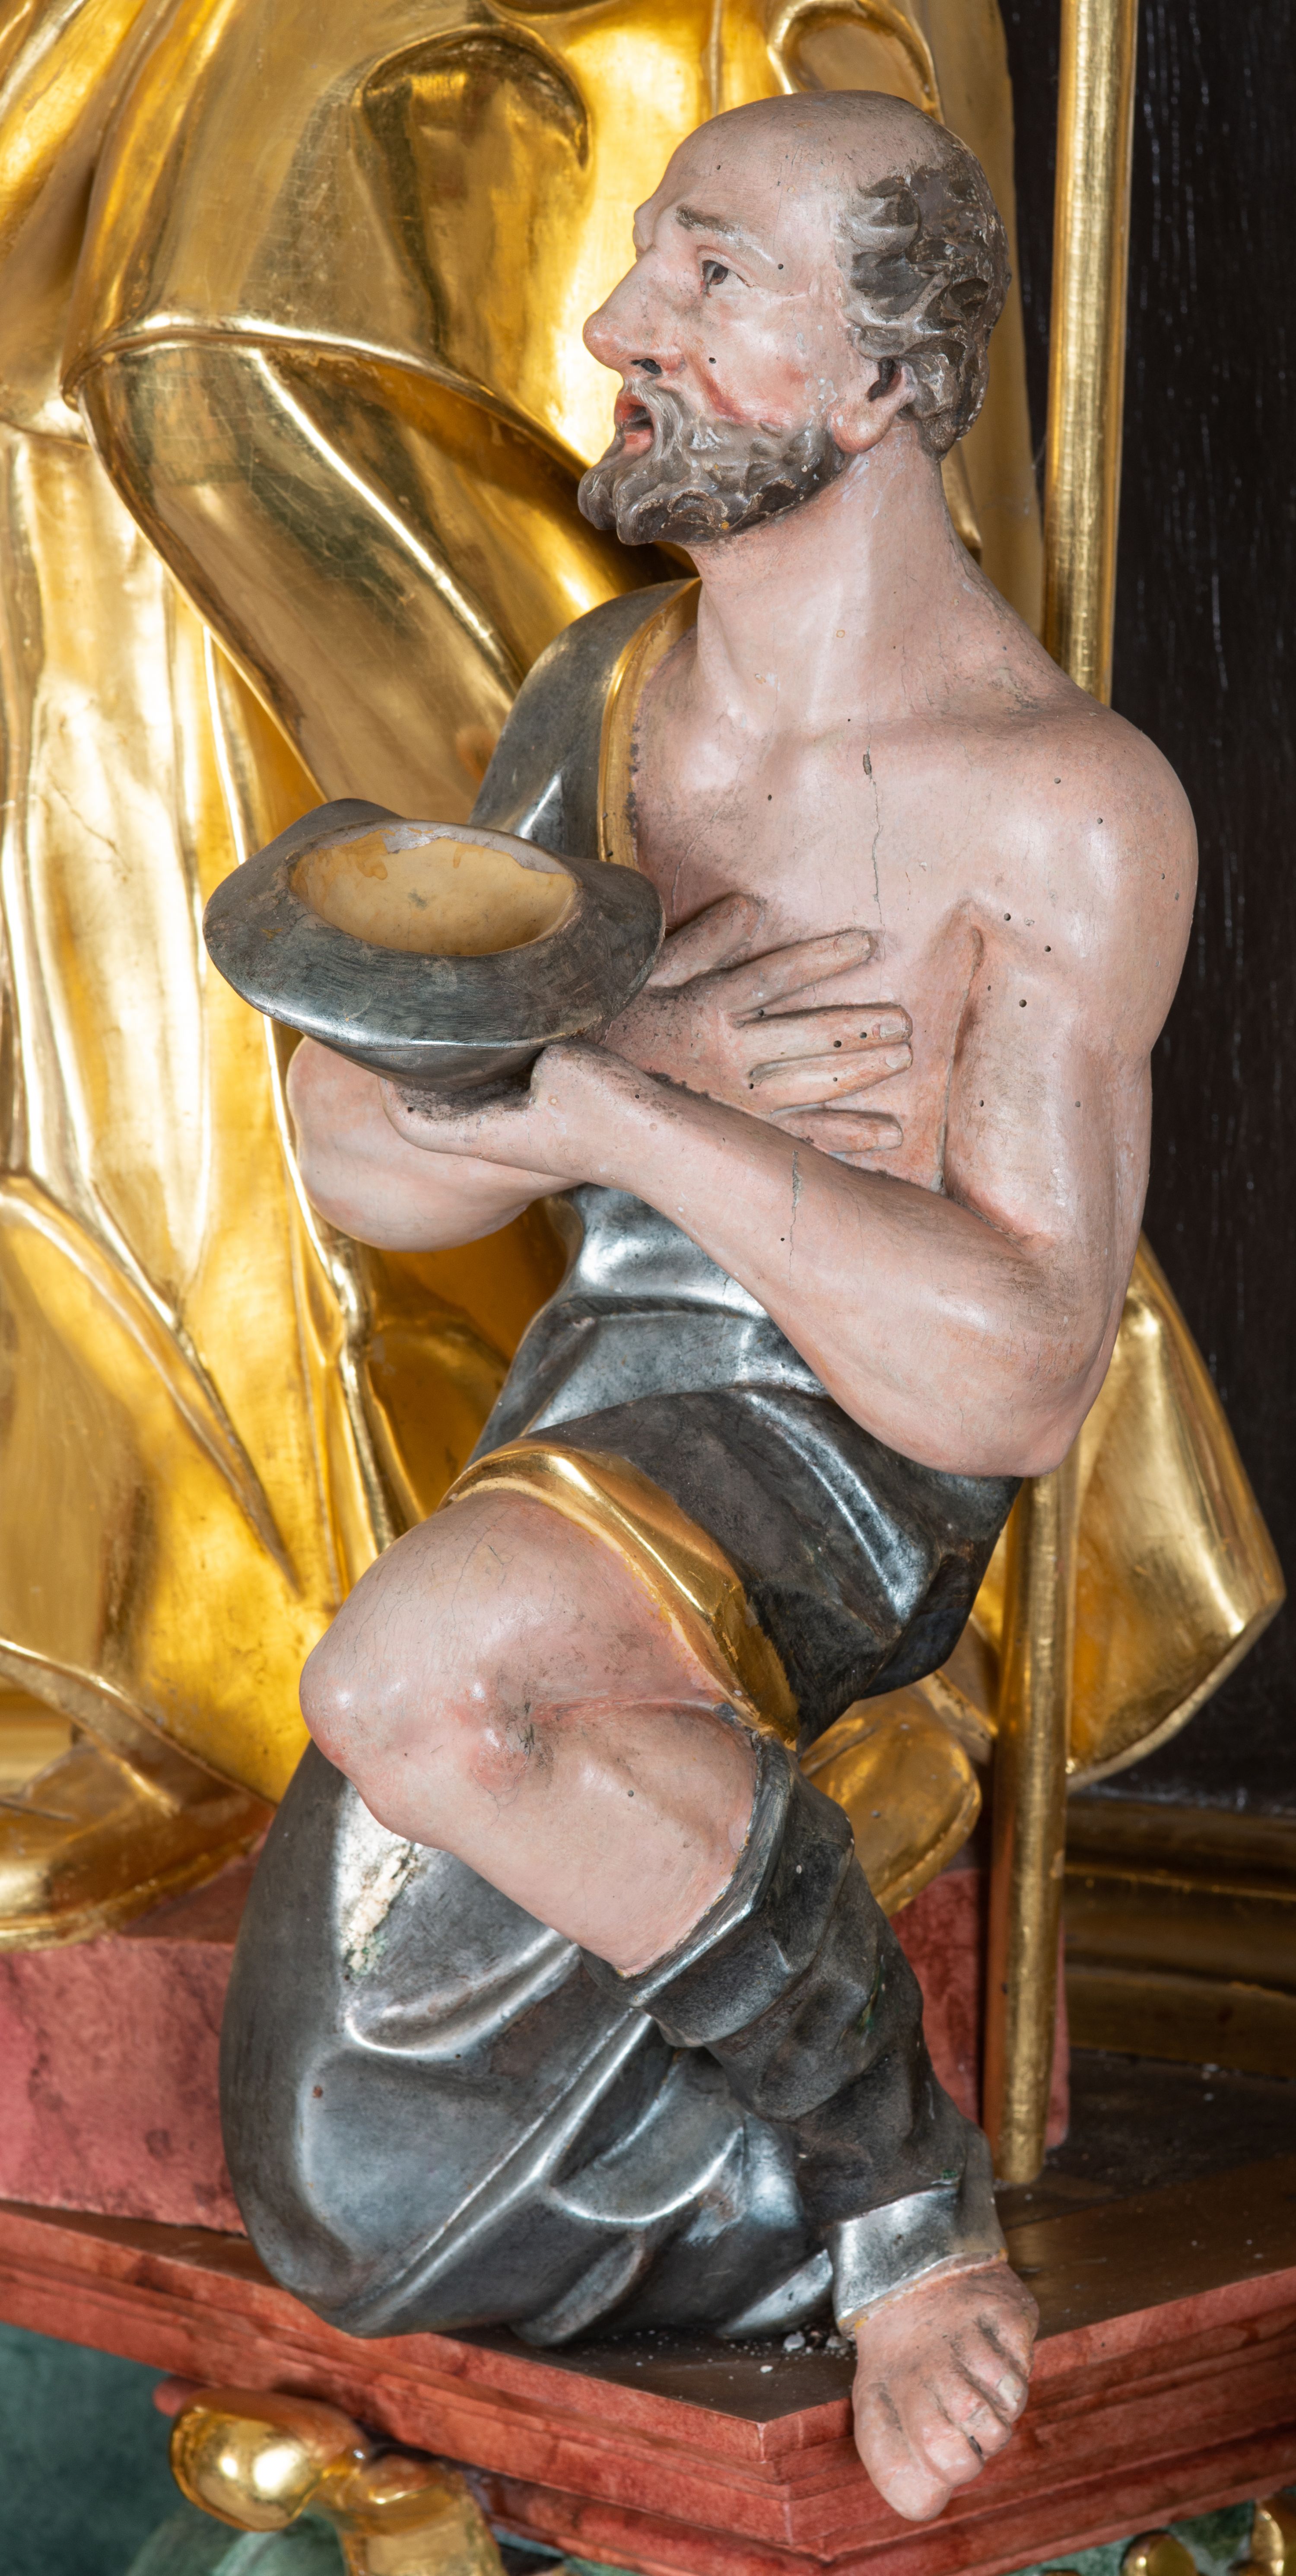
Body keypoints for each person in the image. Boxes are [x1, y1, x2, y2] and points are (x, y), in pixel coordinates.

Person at [221, 91, 1195, 2519]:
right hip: (591, 1413)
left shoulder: (1058, 801)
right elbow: (356, 1147)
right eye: (646, 259)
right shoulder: (610, 694)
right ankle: (758, 2193)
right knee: (349, 2190)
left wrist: (621, 1112)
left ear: (886, 377)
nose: (611, 328)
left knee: (418, 1675)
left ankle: (905, 2217)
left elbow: (1012, 1369)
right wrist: (631, 1062)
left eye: (713, 276)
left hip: (837, 1453)